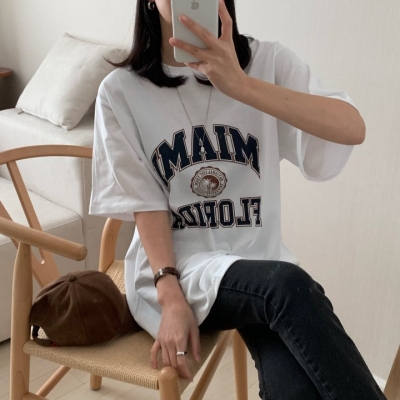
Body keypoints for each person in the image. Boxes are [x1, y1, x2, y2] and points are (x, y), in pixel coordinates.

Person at [89, 0, 387, 398]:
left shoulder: (267, 62)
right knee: (288, 285)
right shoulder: (121, 91)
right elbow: (146, 202)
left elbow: (352, 128)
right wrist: (170, 296)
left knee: (295, 389)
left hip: (257, 267)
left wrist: (241, 85)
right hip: (179, 272)